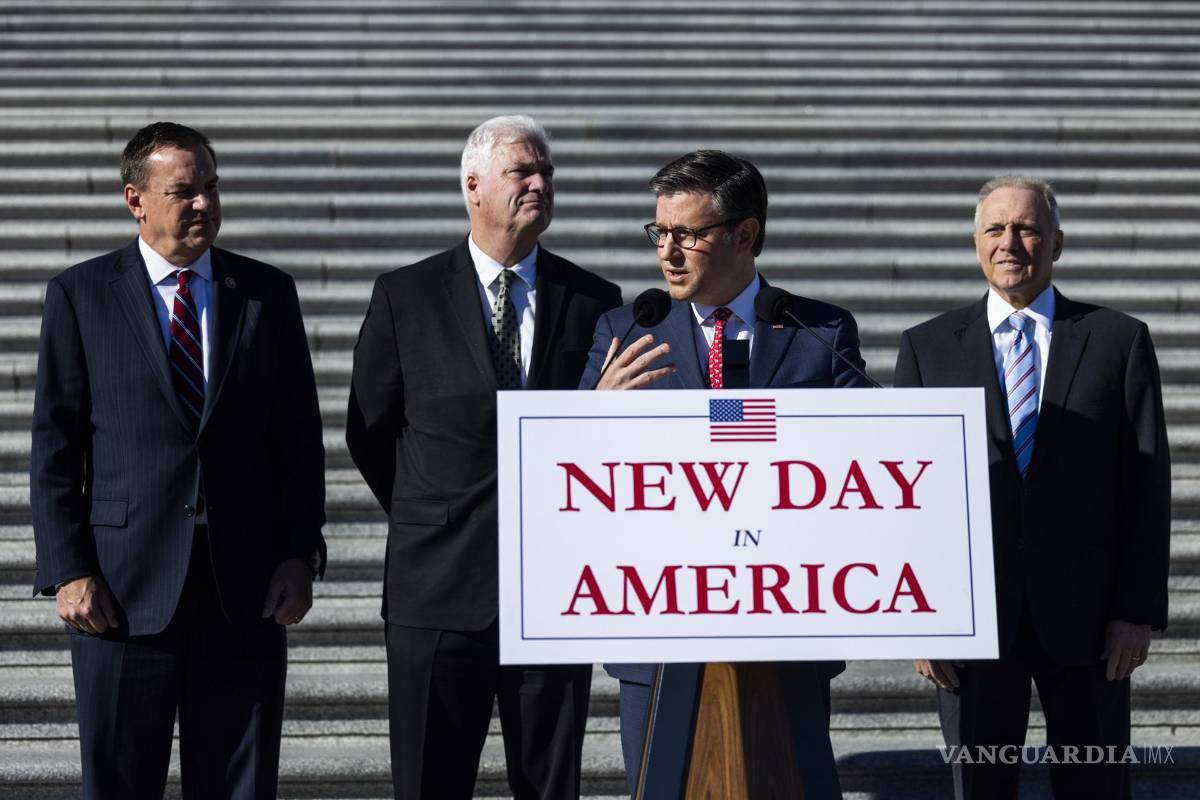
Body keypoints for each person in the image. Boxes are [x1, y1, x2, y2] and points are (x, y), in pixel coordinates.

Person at [29, 121, 326, 799]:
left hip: (242, 593)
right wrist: (68, 568)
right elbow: (54, 448)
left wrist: (298, 555)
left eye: (212, 188)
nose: (204, 204)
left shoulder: (266, 295)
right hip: (119, 598)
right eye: (184, 191)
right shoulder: (80, 295)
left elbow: (298, 442)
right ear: (136, 200)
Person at [345, 114, 622, 800]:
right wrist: (434, 506)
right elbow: (368, 431)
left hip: (555, 589)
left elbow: (606, 443)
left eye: (547, 173)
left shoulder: (595, 302)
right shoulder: (404, 296)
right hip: (436, 589)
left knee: (549, 785)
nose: (540, 183)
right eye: (522, 171)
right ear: (472, 185)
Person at [579, 149, 871, 797]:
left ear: (745, 235)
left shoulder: (817, 332)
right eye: (660, 233)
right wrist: (592, 417)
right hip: (656, 627)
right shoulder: (625, 333)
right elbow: (574, 482)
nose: (668, 252)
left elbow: (867, 464)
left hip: (786, 622)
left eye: (688, 234)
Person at [894, 176, 1171, 800]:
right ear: (975, 243)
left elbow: (1146, 484)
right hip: (970, 624)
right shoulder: (926, 348)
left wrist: (1136, 611)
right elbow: (910, 499)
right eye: (995, 229)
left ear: (1057, 242)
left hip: (1090, 622)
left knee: (1095, 787)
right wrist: (918, 618)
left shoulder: (1118, 341)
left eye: (1026, 228)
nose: (1010, 243)